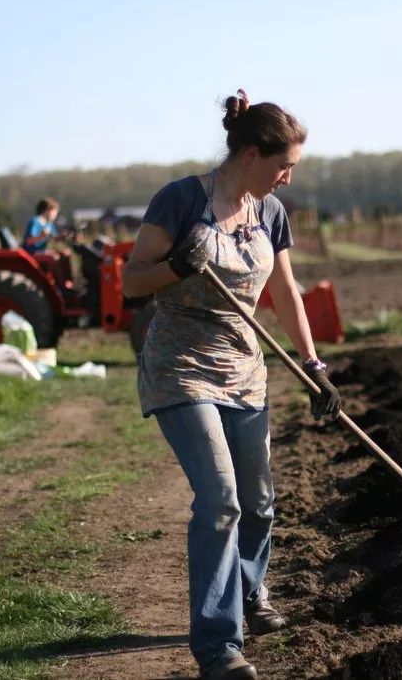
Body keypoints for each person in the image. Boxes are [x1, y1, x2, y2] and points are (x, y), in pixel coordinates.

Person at [121, 89, 341, 680]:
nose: (288, 178)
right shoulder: (182, 200)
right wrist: (175, 268)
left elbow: (286, 293)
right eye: (283, 165)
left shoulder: (270, 213)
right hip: (181, 365)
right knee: (220, 500)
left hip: (245, 369)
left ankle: (249, 590)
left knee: (259, 501)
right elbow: (130, 284)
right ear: (249, 153)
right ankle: (220, 648)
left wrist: (314, 366)